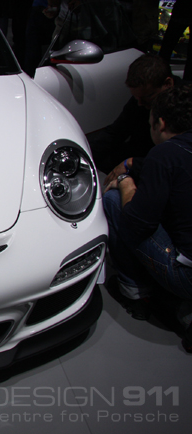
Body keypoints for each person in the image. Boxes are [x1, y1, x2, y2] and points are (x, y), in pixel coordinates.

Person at [103, 84, 192, 349]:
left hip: (186, 277)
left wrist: (125, 181)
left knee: (114, 201)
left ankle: (134, 291)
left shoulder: (164, 156)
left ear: (160, 123)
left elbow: (137, 223)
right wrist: (133, 162)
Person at [88, 54, 175, 176]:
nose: (140, 103)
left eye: (148, 96)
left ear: (168, 84)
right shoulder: (141, 101)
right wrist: (86, 155)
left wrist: (134, 164)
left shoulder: (185, 106)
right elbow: (116, 132)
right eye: (136, 97)